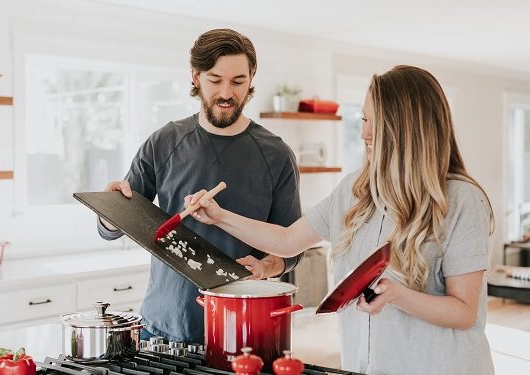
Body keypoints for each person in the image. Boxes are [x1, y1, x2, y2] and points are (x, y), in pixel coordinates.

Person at [187, 65, 495, 374]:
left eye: (376, 122)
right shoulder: (355, 190)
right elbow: (288, 240)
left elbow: (464, 311)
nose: (364, 133)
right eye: (363, 119)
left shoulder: (461, 200)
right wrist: (219, 216)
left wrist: (399, 296)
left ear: (408, 128)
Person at [97, 28, 303, 344]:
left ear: (251, 79)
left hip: (242, 330)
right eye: (215, 80)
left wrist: (265, 266)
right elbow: (116, 224)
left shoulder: (276, 155)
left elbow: (292, 248)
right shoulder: (163, 142)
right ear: (195, 76)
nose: (226, 93)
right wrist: (109, 212)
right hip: (161, 328)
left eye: (238, 82)